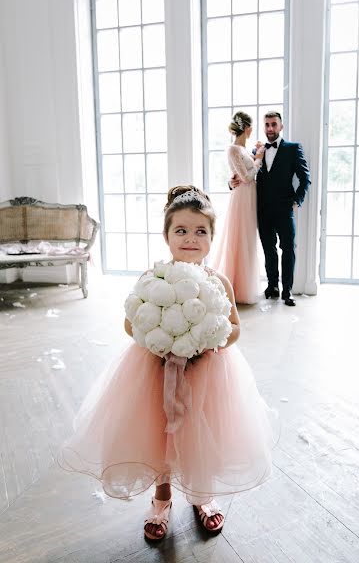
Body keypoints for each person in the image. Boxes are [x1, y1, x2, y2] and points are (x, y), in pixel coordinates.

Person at [58, 185, 275, 542]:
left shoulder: (218, 281)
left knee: (202, 433)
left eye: (200, 231)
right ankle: (162, 498)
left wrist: (205, 343)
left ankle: (201, 495)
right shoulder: (153, 279)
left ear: (212, 237)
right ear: (166, 235)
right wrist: (163, 340)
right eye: (181, 230)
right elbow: (131, 323)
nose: (191, 239)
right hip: (155, 371)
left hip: (207, 372)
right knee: (160, 434)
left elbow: (234, 328)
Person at [232, 111, 311, 306]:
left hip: (285, 209)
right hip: (262, 209)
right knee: (268, 250)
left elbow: (305, 178)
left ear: (281, 126)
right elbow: (245, 174)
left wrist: (296, 201)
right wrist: (230, 182)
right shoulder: (257, 151)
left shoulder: (293, 149)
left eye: (274, 124)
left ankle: (288, 290)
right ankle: (272, 286)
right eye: (267, 124)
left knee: (288, 249)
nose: (270, 128)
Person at [212, 112, 264, 304]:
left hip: (250, 196)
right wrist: (258, 159)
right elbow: (246, 177)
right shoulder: (233, 149)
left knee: (248, 238)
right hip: (242, 197)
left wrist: (253, 155)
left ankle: (244, 285)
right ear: (248, 129)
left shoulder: (244, 149)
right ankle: (232, 286)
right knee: (238, 237)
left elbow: (245, 171)